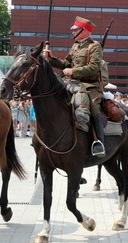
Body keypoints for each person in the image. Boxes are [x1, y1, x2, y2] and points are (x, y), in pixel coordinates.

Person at [43, 16, 106, 157]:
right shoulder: (76, 46)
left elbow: (94, 68)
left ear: (84, 31)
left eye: (75, 29)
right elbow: (66, 63)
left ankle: (98, 142)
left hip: (90, 85)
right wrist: (51, 59)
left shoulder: (94, 46)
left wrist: (73, 71)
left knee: (94, 106)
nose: (72, 31)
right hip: (72, 83)